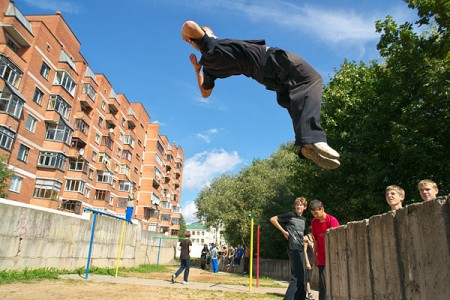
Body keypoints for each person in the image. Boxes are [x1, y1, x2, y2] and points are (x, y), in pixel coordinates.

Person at [181, 21, 340, 170]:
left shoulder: (209, 67)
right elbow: (189, 25)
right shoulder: (211, 45)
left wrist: (197, 71)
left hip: (266, 78)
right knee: (311, 78)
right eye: (209, 33)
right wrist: (189, 36)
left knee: (296, 99)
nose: (214, 35)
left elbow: (205, 93)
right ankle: (313, 139)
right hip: (272, 61)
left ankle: (307, 145)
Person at [270, 197, 308, 300]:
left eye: (300, 205)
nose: (298, 206)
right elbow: (273, 219)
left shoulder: (304, 220)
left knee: (303, 276)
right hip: (292, 247)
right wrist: (283, 231)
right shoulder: (290, 215)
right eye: (297, 205)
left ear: (304, 207)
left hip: (300, 247)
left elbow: (300, 234)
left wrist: (307, 240)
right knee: (296, 276)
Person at [309, 199, 340, 300]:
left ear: (322, 209)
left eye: (316, 213)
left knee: (334, 282)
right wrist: (315, 255)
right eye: (313, 214)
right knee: (323, 284)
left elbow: (337, 241)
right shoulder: (314, 222)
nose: (315, 216)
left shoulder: (332, 220)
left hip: (333, 257)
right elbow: (316, 241)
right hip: (322, 257)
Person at [304, 227, 315, 300]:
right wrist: (307, 262)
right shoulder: (305, 238)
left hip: (312, 261)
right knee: (307, 278)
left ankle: (306, 293)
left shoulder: (313, 239)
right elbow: (304, 251)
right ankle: (309, 293)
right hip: (307, 261)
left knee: (308, 277)